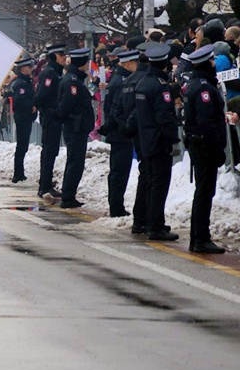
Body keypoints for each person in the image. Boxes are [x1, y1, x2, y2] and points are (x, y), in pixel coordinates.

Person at [128, 43, 179, 241]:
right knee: (159, 183)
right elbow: (164, 116)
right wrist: (172, 138)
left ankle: (145, 220)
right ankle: (155, 225)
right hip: (158, 141)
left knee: (148, 181)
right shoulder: (160, 86)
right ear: (164, 63)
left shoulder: (142, 83)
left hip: (145, 139)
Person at [182, 45, 228, 254]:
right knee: (204, 192)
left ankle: (199, 237)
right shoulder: (204, 89)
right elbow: (207, 122)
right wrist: (217, 148)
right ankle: (200, 238)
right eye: (211, 62)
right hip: (204, 146)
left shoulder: (197, 84)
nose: (214, 65)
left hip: (199, 144)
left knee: (203, 191)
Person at [98, 48, 139, 216]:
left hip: (117, 131)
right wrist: (125, 127)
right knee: (119, 171)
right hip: (120, 133)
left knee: (119, 170)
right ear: (128, 64)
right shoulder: (122, 81)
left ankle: (117, 205)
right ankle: (116, 207)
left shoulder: (118, 78)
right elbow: (116, 109)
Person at [55, 48, 94, 209]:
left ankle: (69, 194)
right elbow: (67, 105)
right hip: (75, 127)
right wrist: (70, 119)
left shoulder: (72, 79)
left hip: (76, 126)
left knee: (75, 161)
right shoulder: (72, 81)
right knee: (75, 162)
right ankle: (68, 196)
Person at [34, 43, 68, 200]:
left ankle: (46, 183)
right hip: (50, 117)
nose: (64, 58)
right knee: (49, 151)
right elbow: (43, 95)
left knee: (51, 151)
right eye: (61, 55)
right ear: (54, 56)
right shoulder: (49, 73)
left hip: (54, 116)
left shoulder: (56, 72)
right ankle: (44, 186)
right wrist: (50, 112)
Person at [6, 57, 37, 183]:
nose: (31, 69)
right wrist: (31, 106)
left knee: (23, 145)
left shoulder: (25, 82)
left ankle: (20, 172)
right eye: (29, 67)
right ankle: (17, 173)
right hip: (23, 116)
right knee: (21, 145)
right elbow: (20, 100)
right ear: (23, 68)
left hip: (25, 116)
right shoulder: (21, 83)